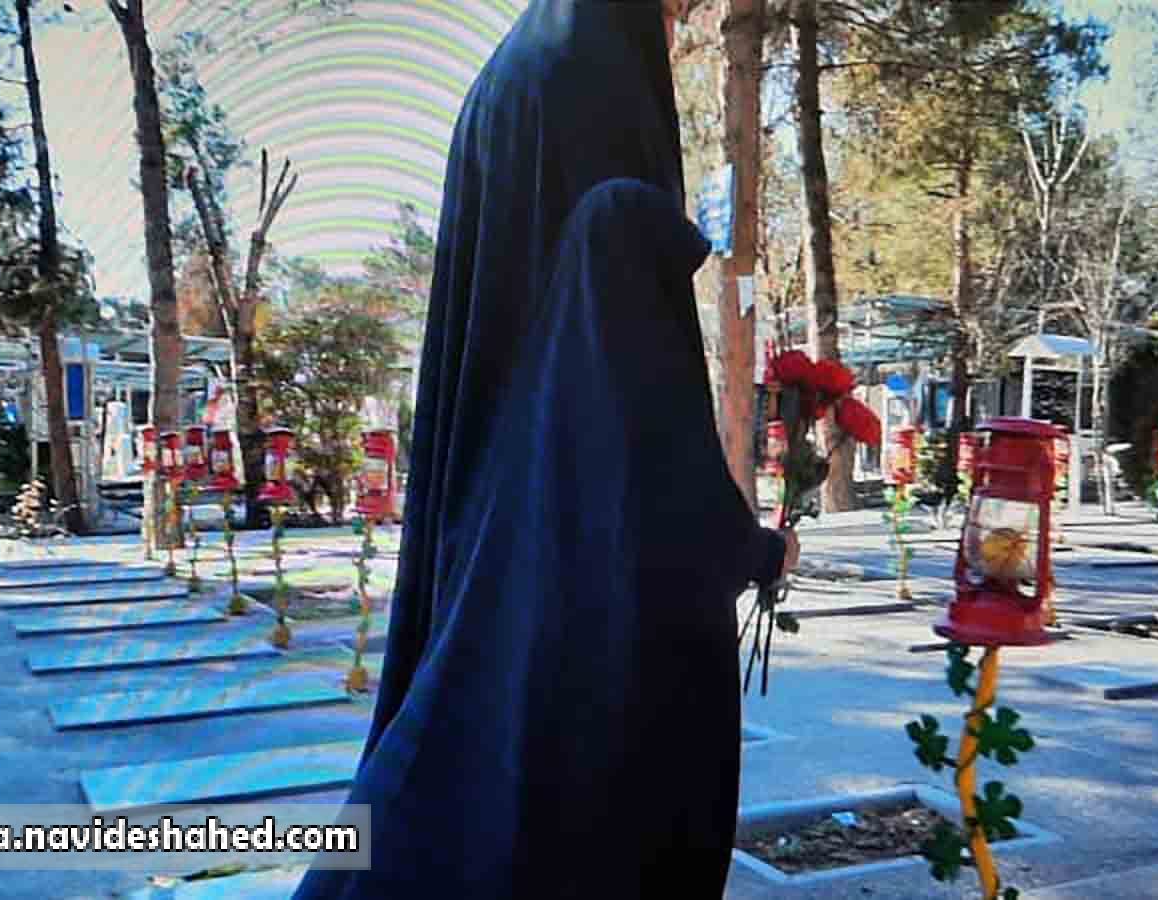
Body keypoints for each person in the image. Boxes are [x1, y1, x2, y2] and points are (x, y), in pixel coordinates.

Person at [290, 1, 799, 896]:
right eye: (678, 10)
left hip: (493, 523)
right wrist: (745, 547)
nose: (678, 30)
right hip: (570, 581)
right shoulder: (592, 91)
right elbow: (630, 406)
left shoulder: (521, 69)